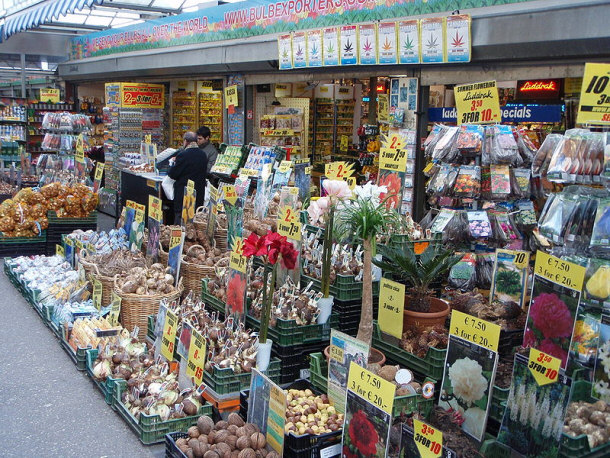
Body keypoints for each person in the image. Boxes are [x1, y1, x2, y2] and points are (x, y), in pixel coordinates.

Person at [168, 131, 208, 224]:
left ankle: (180, 236)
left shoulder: (183, 155)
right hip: (198, 193)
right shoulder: (203, 155)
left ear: (186, 141)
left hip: (184, 194)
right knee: (195, 218)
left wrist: (172, 166)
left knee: (181, 218)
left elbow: (173, 174)